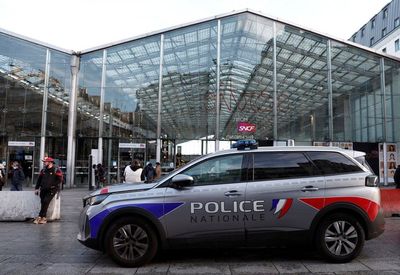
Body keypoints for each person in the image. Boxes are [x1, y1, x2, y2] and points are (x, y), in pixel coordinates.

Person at [33, 157, 63, 224]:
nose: (44, 163)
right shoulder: (43, 170)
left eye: (45, 161)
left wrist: (53, 185)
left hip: (52, 189)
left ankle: (42, 217)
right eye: (44, 161)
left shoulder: (56, 170)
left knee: (46, 201)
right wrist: (36, 188)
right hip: (43, 188)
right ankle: (41, 217)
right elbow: (39, 179)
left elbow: (60, 180)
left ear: (50, 162)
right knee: (43, 202)